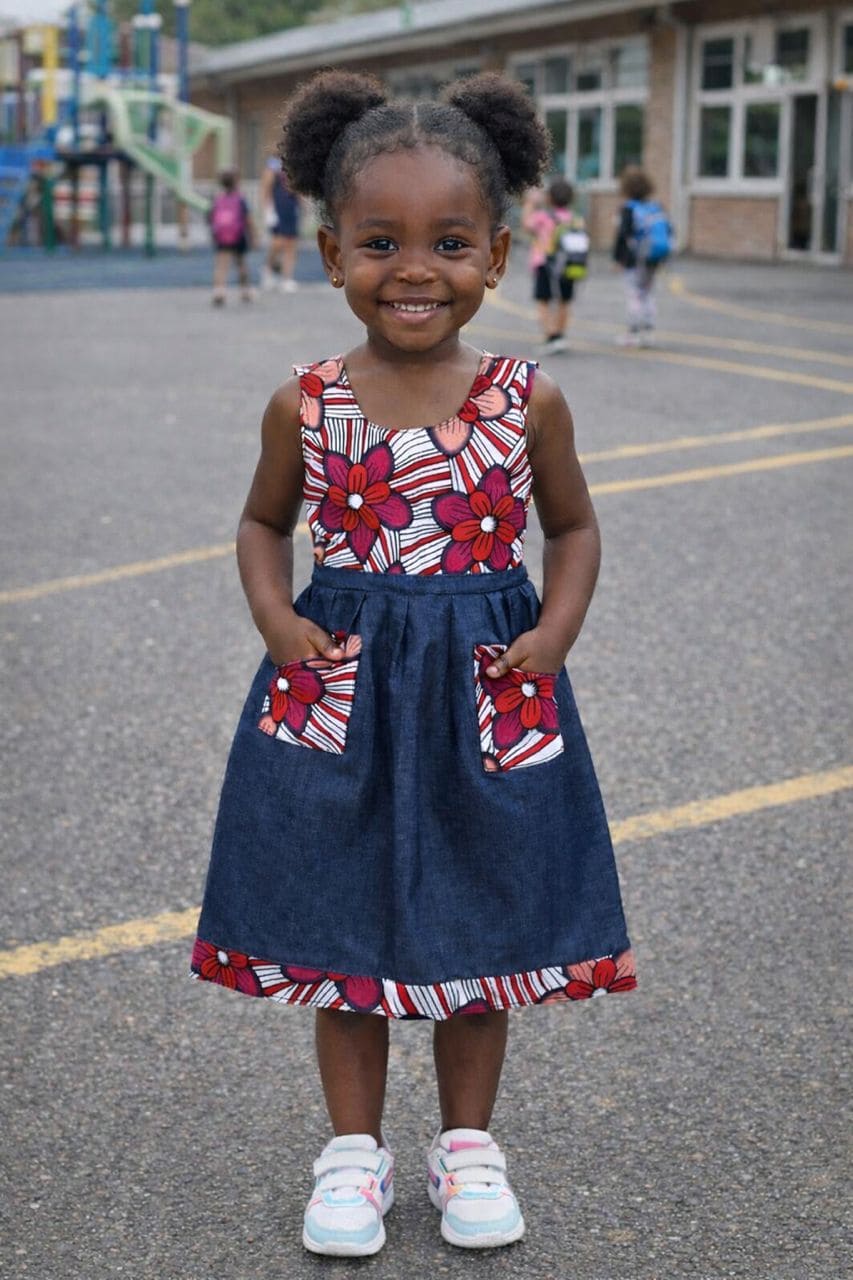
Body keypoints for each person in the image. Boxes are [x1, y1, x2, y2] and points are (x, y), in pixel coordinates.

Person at [190, 69, 636, 1259]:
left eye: (448, 241)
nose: (414, 269)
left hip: (487, 690)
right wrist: (276, 619)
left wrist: (555, 630)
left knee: (481, 917)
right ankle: (352, 1153)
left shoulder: (527, 400)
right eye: (380, 242)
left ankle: (467, 1144)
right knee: (342, 919)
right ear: (332, 252)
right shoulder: (306, 403)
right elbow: (262, 522)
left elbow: (574, 528)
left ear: (497, 255)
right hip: (342, 688)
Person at [611, 165, 672, 346]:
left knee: (634, 294)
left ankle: (634, 333)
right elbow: (669, 231)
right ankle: (648, 332)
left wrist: (617, 259)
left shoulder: (628, 209)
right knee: (648, 293)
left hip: (635, 259)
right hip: (655, 257)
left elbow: (623, 236)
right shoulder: (656, 207)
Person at [521, 177, 584, 354]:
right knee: (565, 300)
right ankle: (560, 335)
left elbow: (526, 225)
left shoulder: (543, 217)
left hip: (545, 263)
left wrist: (529, 203)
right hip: (569, 264)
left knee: (543, 300)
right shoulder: (574, 218)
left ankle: (551, 336)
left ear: (549, 197)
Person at [208, 169, 255, 306]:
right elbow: (248, 219)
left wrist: (214, 234)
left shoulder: (218, 199)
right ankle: (245, 291)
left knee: (221, 265)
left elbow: (212, 218)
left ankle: (219, 292)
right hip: (238, 235)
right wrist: (253, 235)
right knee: (241, 264)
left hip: (222, 236)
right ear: (236, 182)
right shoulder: (240, 199)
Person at [260, 154, 301, 292]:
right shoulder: (272, 166)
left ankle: (287, 278)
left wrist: (303, 206)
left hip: (291, 208)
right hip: (278, 210)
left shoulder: (294, 166)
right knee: (278, 242)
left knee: (291, 244)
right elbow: (265, 190)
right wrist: (267, 211)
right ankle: (267, 270)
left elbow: (298, 189)